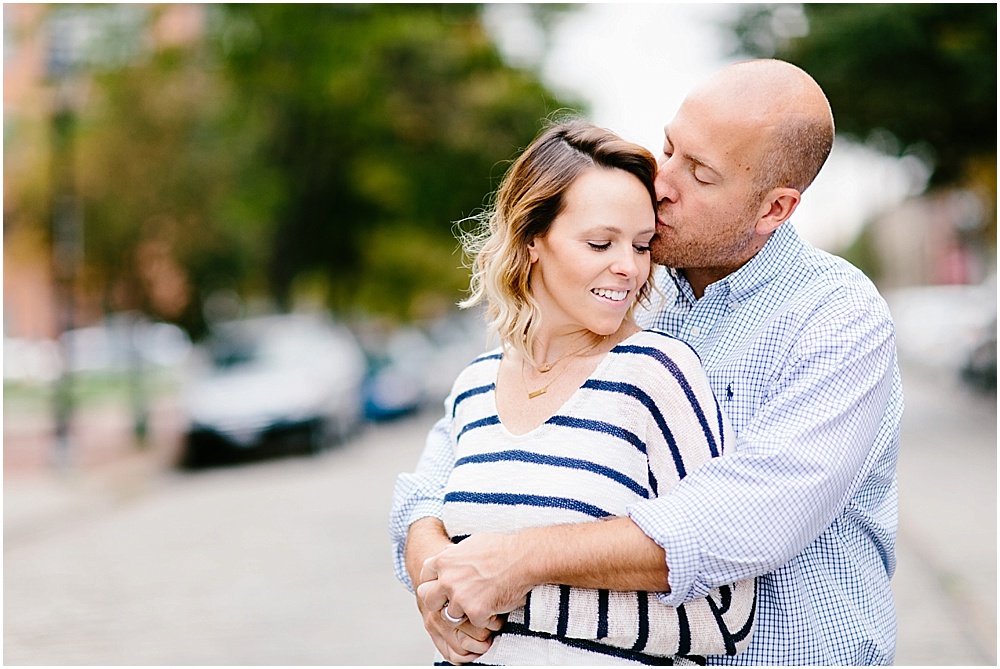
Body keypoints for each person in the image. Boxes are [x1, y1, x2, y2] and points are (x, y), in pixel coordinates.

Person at [392, 58, 905, 665]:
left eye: (702, 174)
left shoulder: (835, 316)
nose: (663, 182)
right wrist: (439, 577)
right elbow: (444, 469)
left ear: (775, 209)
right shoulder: (625, 287)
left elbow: (745, 520)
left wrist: (514, 560)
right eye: (670, 147)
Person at [393, 119, 758, 665]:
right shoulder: (474, 384)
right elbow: (420, 514)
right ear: (532, 237)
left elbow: (727, 615)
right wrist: (443, 601)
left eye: (641, 245)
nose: (629, 268)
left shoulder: (656, 374)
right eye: (599, 242)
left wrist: (504, 598)